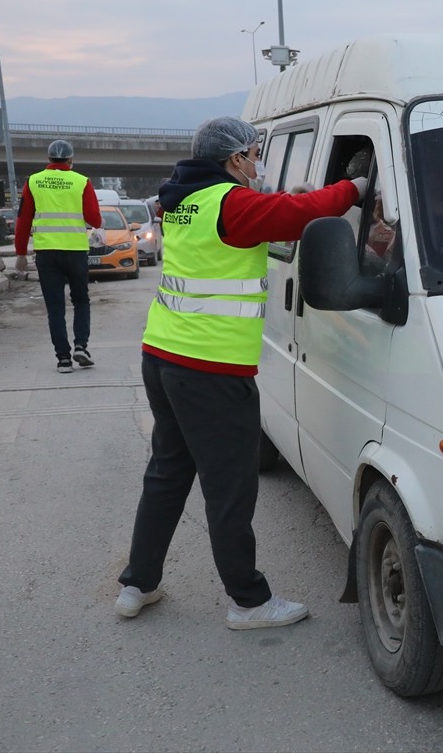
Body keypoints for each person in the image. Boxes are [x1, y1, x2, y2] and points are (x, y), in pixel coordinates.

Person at [116, 116, 367, 629]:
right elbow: (302, 213)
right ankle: (248, 603)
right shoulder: (232, 205)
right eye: (253, 154)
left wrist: (284, 197)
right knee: (229, 488)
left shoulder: (180, 198)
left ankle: (136, 584)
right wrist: (358, 186)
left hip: (162, 355)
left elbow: (261, 214)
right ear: (234, 160)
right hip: (212, 370)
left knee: (166, 474)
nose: (258, 163)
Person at [13, 140, 103, 373]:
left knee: (55, 308)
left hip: (47, 254)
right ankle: (81, 346)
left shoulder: (34, 181)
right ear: (71, 160)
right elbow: (95, 220)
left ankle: (63, 359)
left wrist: (21, 253)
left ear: (49, 158)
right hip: (75, 252)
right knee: (81, 301)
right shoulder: (81, 181)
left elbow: (23, 220)